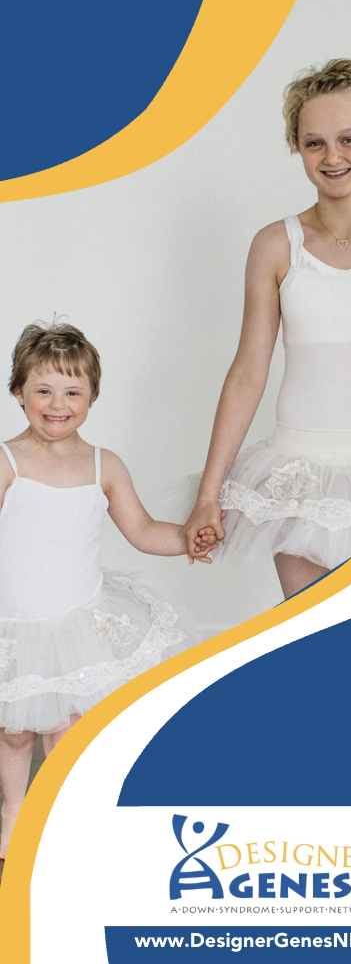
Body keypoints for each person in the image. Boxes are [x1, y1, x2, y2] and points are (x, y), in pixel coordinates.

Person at [184, 58, 351, 598]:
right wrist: (208, 494)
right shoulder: (275, 246)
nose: (332, 156)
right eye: (314, 142)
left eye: (349, 139)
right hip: (298, 477)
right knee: (313, 632)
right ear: (297, 147)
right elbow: (248, 371)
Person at [0, 321, 218, 861]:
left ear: (93, 396)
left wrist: (188, 538)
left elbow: (142, 531)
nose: (58, 404)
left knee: (67, 726)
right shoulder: (7, 461)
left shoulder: (104, 465)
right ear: (19, 392)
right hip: (15, 622)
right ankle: (13, 813)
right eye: (43, 390)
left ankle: (58, 819)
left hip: (79, 620)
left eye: (72, 392)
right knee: (14, 731)